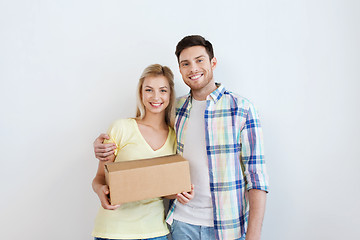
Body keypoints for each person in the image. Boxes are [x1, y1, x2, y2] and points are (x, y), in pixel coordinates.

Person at [94, 36, 269, 240]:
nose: (193, 68)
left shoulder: (242, 109)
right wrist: (100, 145)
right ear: (180, 69)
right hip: (181, 224)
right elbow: (145, 137)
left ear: (213, 62)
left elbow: (256, 178)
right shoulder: (175, 110)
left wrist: (254, 235)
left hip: (227, 227)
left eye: (200, 60)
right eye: (185, 63)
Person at [92, 64, 190, 240]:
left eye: (162, 90)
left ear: (170, 94)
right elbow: (99, 178)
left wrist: (180, 193)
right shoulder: (121, 128)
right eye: (149, 90)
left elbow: (162, 188)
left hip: (155, 232)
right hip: (114, 230)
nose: (156, 97)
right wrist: (101, 192)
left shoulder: (176, 136)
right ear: (141, 93)